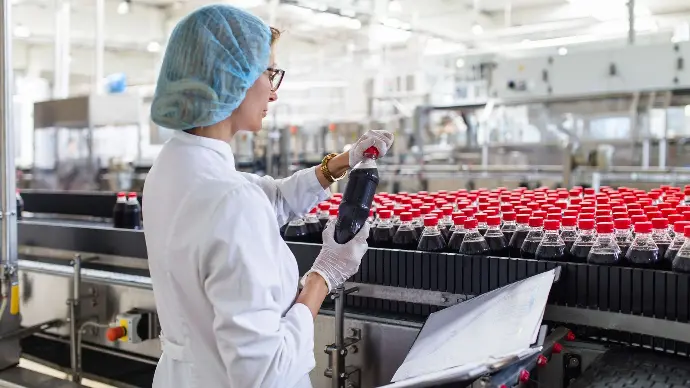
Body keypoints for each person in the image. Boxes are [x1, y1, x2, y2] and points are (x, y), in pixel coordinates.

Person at [143, 5, 393, 388]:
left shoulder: (173, 166)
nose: (273, 93)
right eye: (269, 73)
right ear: (231, 79)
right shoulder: (229, 199)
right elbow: (265, 372)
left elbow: (266, 199)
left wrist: (342, 162)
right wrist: (324, 276)